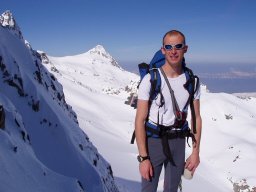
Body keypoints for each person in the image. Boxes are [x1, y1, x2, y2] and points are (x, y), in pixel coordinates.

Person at [135, 30, 202, 192]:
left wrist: (195, 152)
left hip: (178, 141)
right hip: (154, 142)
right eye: (169, 47)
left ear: (185, 49)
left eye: (178, 46)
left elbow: (196, 118)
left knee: (171, 189)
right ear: (163, 50)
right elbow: (139, 120)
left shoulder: (192, 81)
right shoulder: (150, 80)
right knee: (148, 189)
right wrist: (143, 158)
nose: (173, 51)